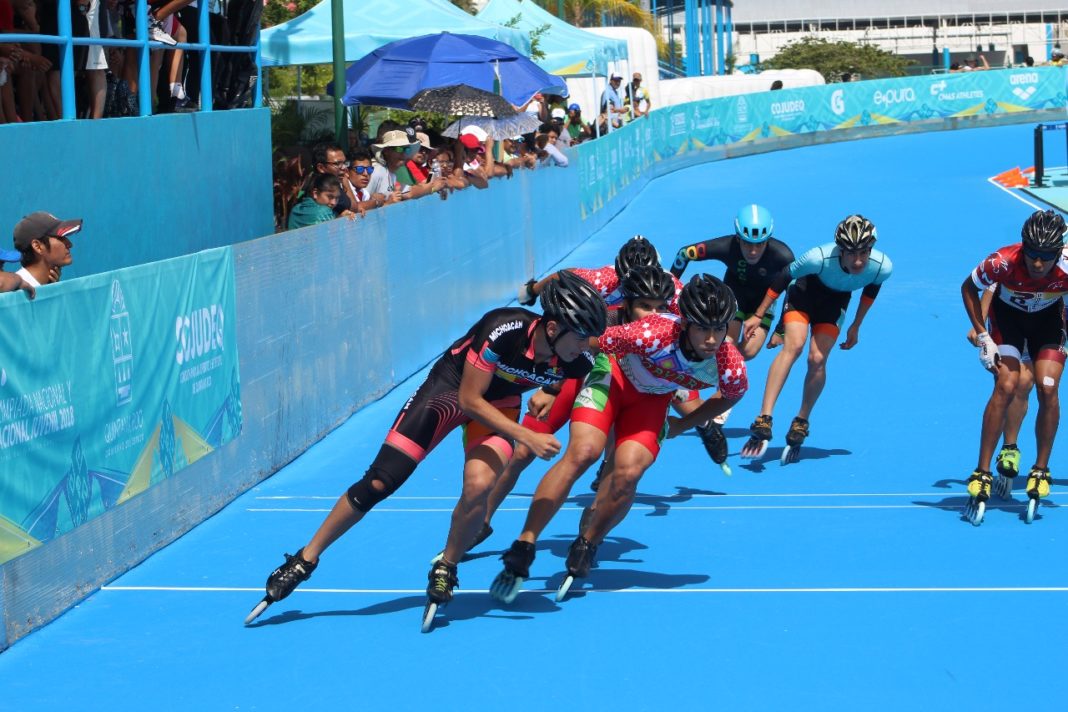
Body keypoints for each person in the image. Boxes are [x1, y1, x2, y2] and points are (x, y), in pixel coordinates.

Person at [245, 271, 608, 624]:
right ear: (552, 327)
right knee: (380, 482)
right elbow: (469, 399)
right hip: (450, 391)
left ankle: (446, 565)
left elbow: (575, 373)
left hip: (500, 404)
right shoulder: (504, 329)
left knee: (480, 486)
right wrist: (526, 435)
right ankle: (305, 560)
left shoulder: (576, 359)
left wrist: (550, 390)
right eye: (580, 336)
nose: (584, 345)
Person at [490, 274, 747, 602]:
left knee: (627, 474)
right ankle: (525, 543)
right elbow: (584, 344)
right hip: (613, 379)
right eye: (702, 328)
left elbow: (730, 396)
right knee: (584, 452)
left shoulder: (728, 364)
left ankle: (588, 542)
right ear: (684, 324)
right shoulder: (651, 332)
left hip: (651, 403)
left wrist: (684, 426)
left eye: (719, 329)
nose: (712, 339)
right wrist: (552, 387)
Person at [472, 266, 678, 551]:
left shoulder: (669, 330)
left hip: (621, 392)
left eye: (660, 307)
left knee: (615, 458)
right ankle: (481, 520)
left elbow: (686, 369)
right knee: (521, 451)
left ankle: (587, 537)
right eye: (645, 306)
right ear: (626, 303)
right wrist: (550, 389)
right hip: (574, 377)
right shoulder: (606, 316)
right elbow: (563, 339)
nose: (653, 316)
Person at [739, 214, 893, 461]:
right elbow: (782, 278)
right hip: (803, 294)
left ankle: (801, 420)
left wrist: (856, 325)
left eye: (864, 252)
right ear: (840, 250)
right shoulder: (817, 257)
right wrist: (758, 314)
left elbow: (871, 289)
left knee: (818, 359)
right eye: (851, 253)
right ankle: (764, 417)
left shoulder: (882, 266)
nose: (858, 260)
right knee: (794, 347)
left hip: (835, 303)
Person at [961, 209, 1068, 519]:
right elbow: (969, 287)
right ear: (1024, 246)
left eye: (1045, 256)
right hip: (1008, 322)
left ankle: (1041, 469)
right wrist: (983, 335)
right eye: (1032, 254)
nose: (1037, 263)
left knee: (1048, 388)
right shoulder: (1003, 260)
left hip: (1048, 324)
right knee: (1007, 385)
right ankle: (982, 472)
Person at [671, 205, 795, 361]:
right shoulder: (726, 246)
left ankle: (726, 371)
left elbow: (794, 292)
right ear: (737, 238)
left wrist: (781, 330)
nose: (753, 251)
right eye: (747, 243)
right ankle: (717, 376)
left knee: (749, 351)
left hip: (763, 301)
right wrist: (670, 292)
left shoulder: (784, 256)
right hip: (735, 294)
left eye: (760, 244)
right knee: (728, 343)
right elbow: (684, 254)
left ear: (768, 240)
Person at [966, 285, 1035, 488]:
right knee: (1005, 384)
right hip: (1006, 315)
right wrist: (979, 324)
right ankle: (996, 459)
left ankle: (1009, 448)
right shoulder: (1030, 256)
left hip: (1045, 321)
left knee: (1025, 383)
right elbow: (993, 282)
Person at [518, 234, 660, 308]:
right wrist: (533, 291)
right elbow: (564, 276)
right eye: (629, 283)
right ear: (619, 275)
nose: (634, 288)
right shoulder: (600, 281)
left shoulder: (666, 284)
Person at [11, 211, 82, 288]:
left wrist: (52, 291)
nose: (70, 244)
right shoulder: (15, 293)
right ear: (37, 246)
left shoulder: (46, 286)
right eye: (60, 238)